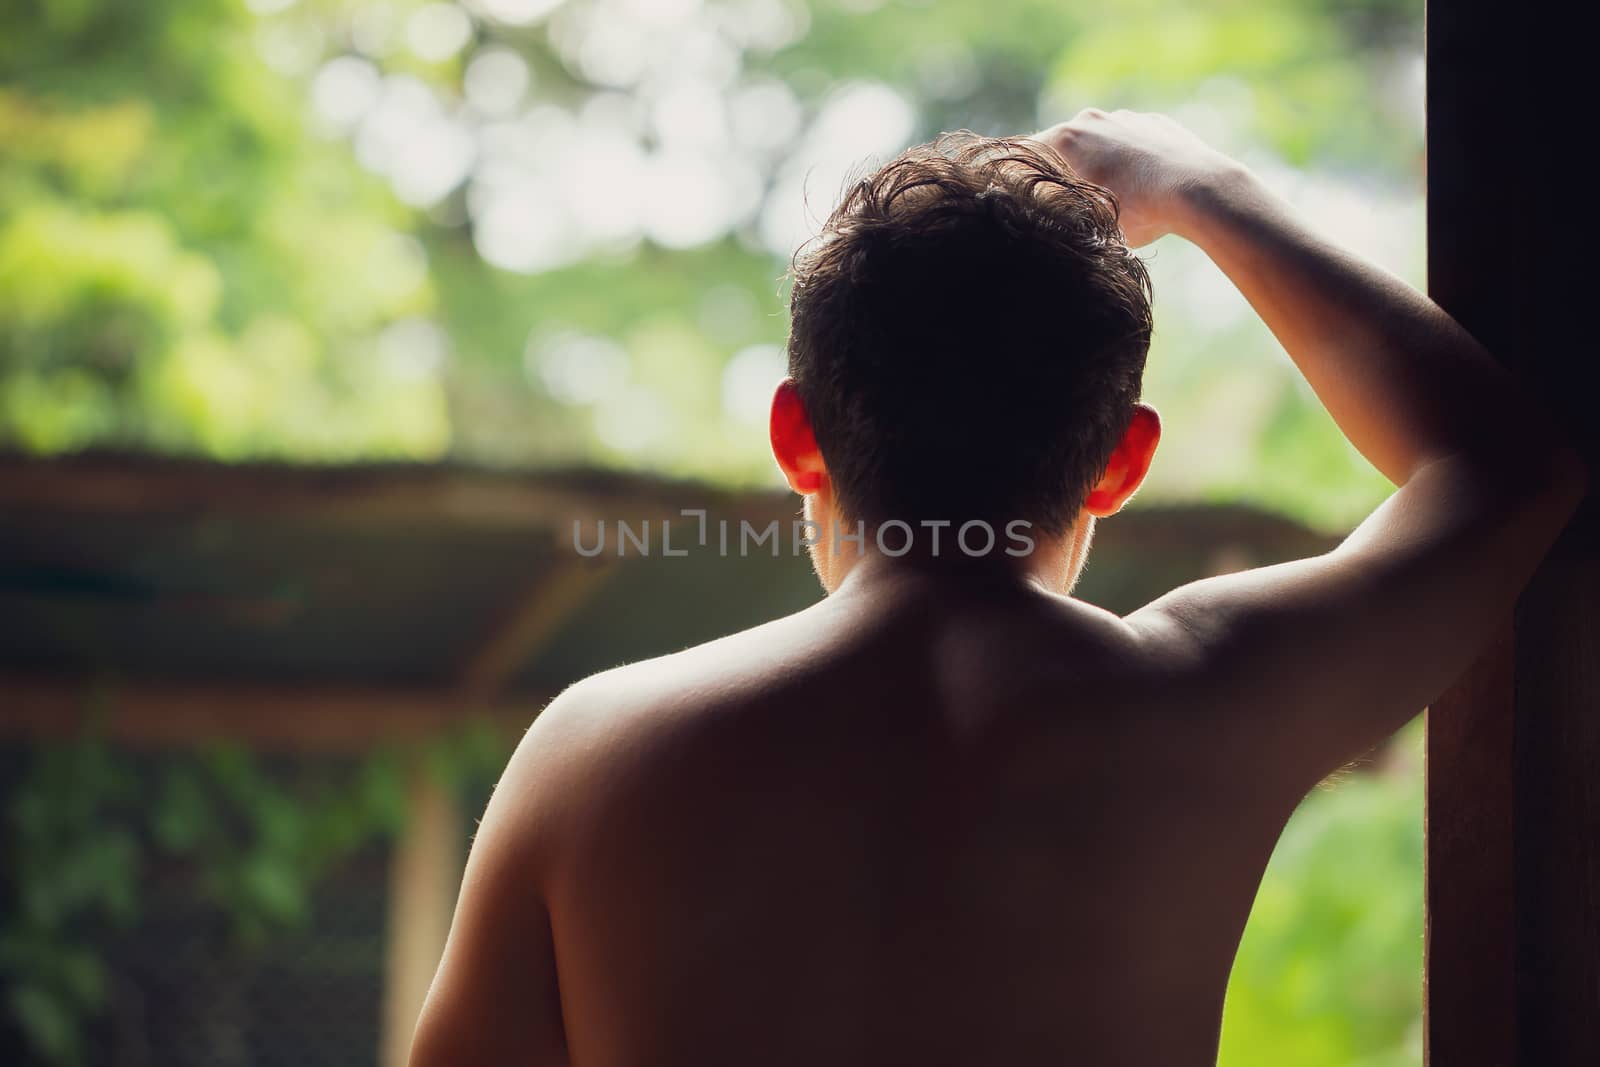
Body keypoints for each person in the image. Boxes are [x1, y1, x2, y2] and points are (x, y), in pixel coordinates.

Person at [408, 110, 1587, 1066]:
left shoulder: (594, 750)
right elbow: (1505, 467)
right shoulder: (1209, 696)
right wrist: (1198, 189)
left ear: (793, 436)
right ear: (1124, 458)